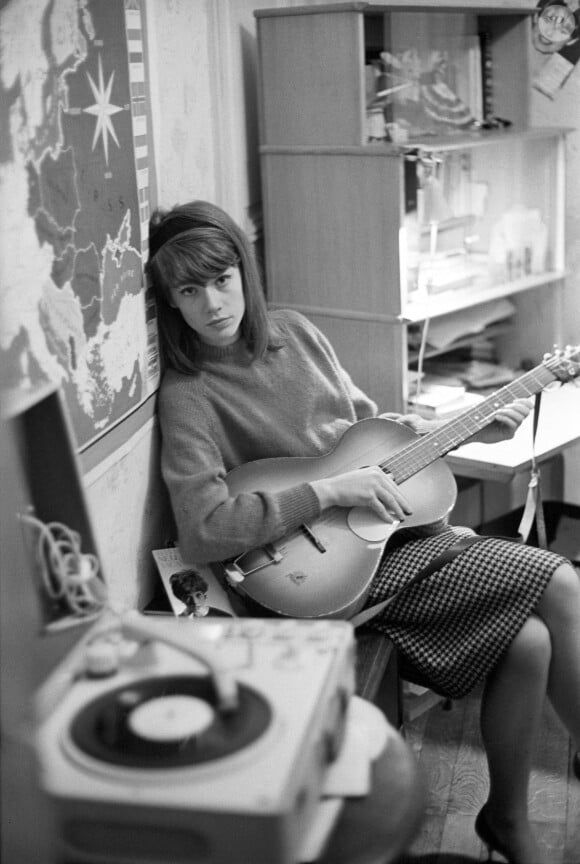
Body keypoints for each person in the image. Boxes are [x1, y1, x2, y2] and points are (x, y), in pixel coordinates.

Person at [147, 199, 580, 864]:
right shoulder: (189, 394)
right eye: (188, 289)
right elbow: (204, 530)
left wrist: (462, 428)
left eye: (223, 278)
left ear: (246, 272)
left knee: (527, 643)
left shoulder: (298, 334)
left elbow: (370, 436)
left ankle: (507, 819)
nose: (212, 303)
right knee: (560, 579)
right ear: (170, 302)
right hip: (311, 575)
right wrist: (325, 491)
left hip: (385, 541)